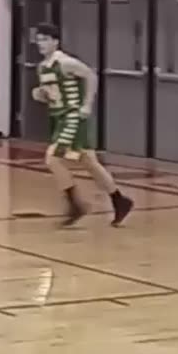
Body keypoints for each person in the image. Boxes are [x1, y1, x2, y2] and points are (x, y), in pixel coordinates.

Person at [31, 24, 133, 227]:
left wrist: (87, 104)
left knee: (52, 159)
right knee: (89, 162)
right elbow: (50, 94)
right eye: (38, 39)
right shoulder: (43, 67)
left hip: (73, 117)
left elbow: (91, 76)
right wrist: (40, 94)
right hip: (58, 116)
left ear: (55, 41)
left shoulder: (66, 62)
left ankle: (75, 203)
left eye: (44, 39)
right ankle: (119, 200)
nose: (40, 43)